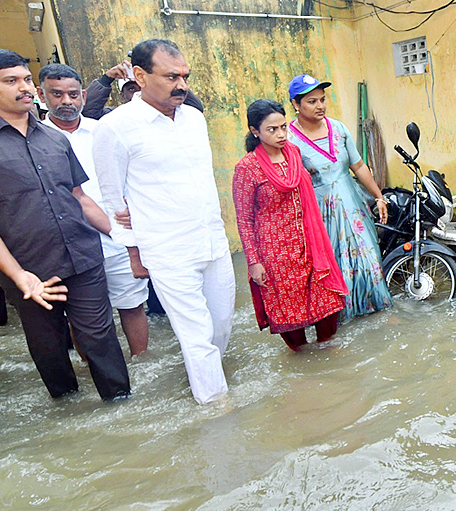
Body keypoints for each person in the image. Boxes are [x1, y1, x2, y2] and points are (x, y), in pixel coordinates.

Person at [0, 48, 129, 402]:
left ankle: (121, 406)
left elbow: (80, 198)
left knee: (101, 338)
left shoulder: (55, 138)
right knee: (50, 347)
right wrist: (18, 274)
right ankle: (68, 415)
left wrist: (126, 239)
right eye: (11, 81)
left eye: (26, 79)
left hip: (83, 257)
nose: (25, 88)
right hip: (28, 268)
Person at [92, 39, 234, 405]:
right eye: (171, 76)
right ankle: (218, 410)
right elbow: (113, 198)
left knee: (221, 326)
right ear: (140, 76)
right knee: (196, 334)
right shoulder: (115, 127)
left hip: (212, 241)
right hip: (167, 249)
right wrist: (134, 252)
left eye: (185, 76)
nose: (182, 85)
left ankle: (203, 375)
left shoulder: (194, 119)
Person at [37, 63, 149, 356]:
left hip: (120, 237)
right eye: (57, 94)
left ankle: (142, 362)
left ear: (83, 96)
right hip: (71, 244)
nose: (66, 102)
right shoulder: (33, 141)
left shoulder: (103, 130)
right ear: (41, 95)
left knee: (132, 304)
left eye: (73, 95)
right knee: (84, 317)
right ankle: (97, 372)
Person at [233, 100, 347, 350]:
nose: (281, 134)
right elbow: (244, 219)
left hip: (309, 247)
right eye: (272, 130)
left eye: (283, 127)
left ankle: (332, 370)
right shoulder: (247, 168)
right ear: (255, 131)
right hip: (276, 257)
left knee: (328, 312)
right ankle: (302, 370)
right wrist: (254, 262)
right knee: (292, 322)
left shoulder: (294, 154)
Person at [286, 74, 392, 321]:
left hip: (353, 204)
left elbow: (358, 166)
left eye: (322, 100)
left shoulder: (339, 129)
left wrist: (379, 196)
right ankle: (341, 316)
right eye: (312, 101)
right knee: (334, 262)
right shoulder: (289, 140)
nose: (320, 106)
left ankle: (377, 310)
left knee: (368, 255)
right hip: (319, 212)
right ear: (295, 104)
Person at [84, 61, 203, 119]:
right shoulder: (118, 118)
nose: (138, 92)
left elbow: (195, 108)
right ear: (123, 96)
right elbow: (88, 111)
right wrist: (107, 78)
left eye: (142, 86)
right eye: (131, 89)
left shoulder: (169, 112)